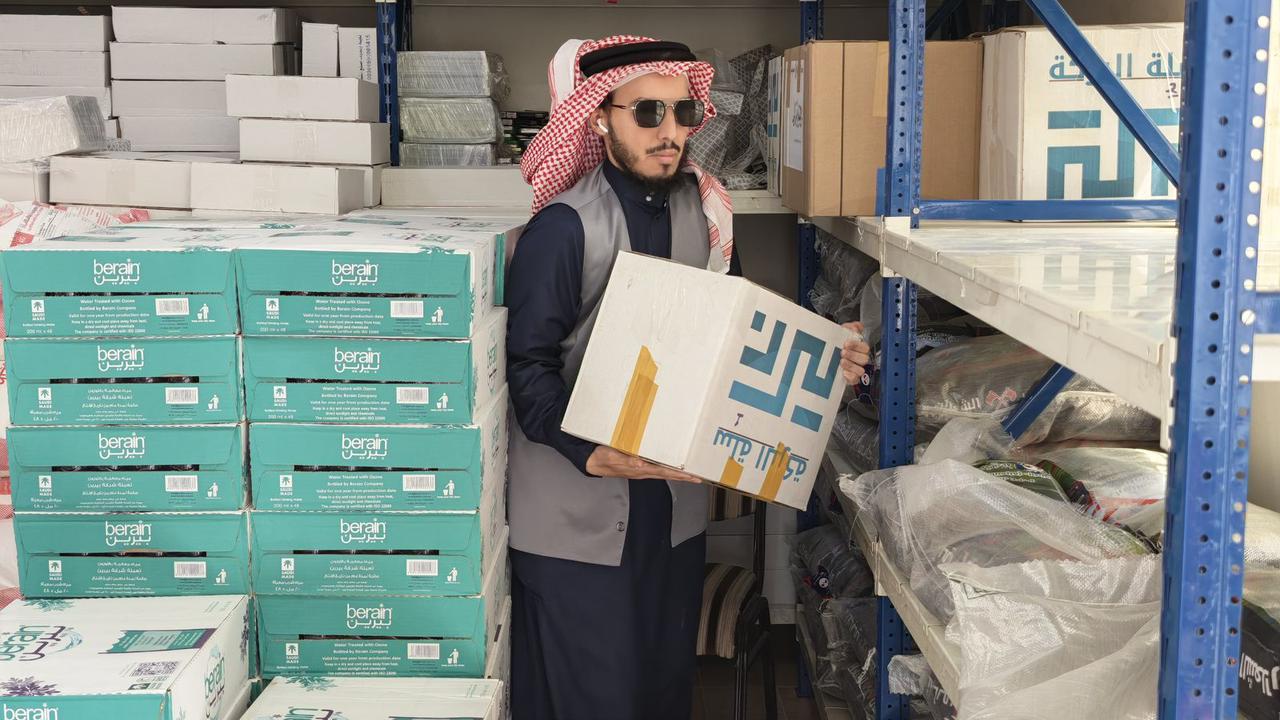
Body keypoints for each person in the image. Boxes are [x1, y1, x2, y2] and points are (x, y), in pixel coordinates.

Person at [505, 35, 871, 720]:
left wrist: (824, 352)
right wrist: (593, 452)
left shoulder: (704, 215)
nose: (670, 131)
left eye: (684, 113)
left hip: (670, 519)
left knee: (661, 696)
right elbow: (526, 370)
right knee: (594, 702)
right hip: (576, 527)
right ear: (598, 117)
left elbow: (732, 338)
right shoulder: (562, 230)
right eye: (648, 112)